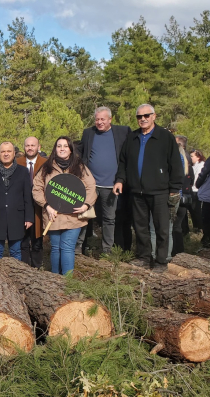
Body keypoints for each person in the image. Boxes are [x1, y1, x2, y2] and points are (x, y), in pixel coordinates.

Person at [113, 104, 182, 271]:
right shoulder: (132, 138)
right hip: (136, 192)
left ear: (154, 116)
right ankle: (144, 257)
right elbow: (123, 162)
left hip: (160, 191)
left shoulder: (165, 137)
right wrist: (120, 180)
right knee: (140, 227)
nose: (142, 119)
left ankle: (161, 261)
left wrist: (175, 187)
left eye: (146, 115)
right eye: (139, 116)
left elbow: (175, 164)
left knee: (162, 229)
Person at [33, 136, 97, 275]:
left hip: (74, 216)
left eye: (65, 146)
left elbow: (91, 186)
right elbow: (37, 189)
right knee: (56, 247)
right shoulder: (46, 167)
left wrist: (86, 205)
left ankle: (67, 281)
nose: (62, 149)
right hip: (53, 216)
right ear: (55, 149)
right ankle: (56, 279)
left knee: (67, 247)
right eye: (59, 146)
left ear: (70, 149)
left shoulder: (79, 167)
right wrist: (46, 206)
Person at [77, 106, 132, 256]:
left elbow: (127, 157)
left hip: (111, 185)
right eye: (97, 119)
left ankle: (107, 250)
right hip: (90, 185)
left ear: (110, 119)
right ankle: (78, 248)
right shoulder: (88, 133)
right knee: (84, 216)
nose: (99, 122)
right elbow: (81, 153)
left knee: (109, 219)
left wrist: (121, 179)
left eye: (103, 119)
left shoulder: (122, 132)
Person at [0, 142, 33, 260]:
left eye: (9, 151)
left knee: (16, 251)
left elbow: (27, 196)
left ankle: (16, 277)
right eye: (3, 151)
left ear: (14, 153)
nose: (6, 154)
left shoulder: (23, 171)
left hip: (17, 217)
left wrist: (29, 217)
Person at [16, 136, 47, 268]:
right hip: (21, 206)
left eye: (33, 145)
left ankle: (37, 267)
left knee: (37, 240)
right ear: (24, 147)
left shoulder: (46, 163)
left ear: (38, 147)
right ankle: (24, 267)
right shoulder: (17, 162)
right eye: (27, 145)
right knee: (23, 240)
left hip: (39, 207)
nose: (30, 148)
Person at [171, 137, 194, 256]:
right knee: (178, 225)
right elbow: (192, 181)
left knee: (173, 226)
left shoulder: (174, 165)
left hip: (175, 197)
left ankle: (175, 251)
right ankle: (180, 251)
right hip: (185, 198)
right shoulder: (188, 164)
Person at [188, 149, 206, 232]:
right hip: (192, 189)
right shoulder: (193, 165)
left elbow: (196, 179)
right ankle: (196, 226)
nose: (190, 158)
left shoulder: (201, 165)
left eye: (192, 156)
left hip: (196, 190)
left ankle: (200, 227)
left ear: (198, 157)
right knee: (192, 210)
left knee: (197, 210)